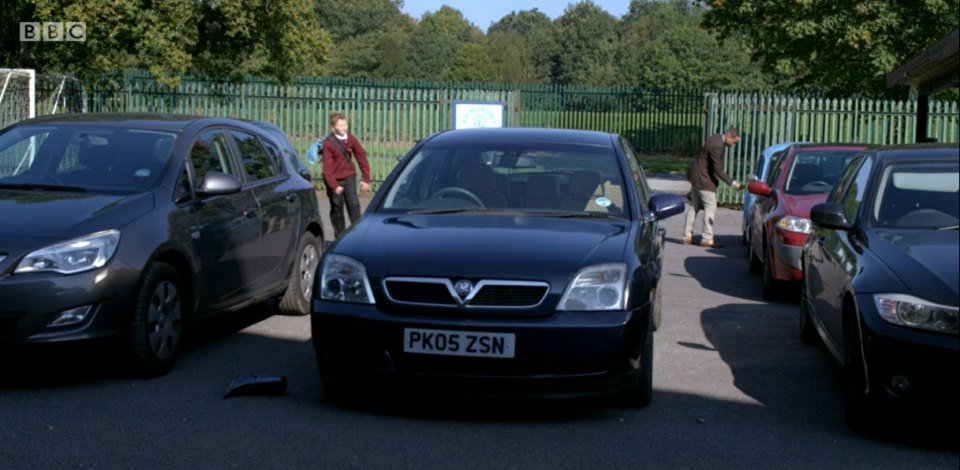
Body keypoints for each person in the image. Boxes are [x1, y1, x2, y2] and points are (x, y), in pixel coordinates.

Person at [682, 127, 742, 247]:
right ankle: (707, 238)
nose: (734, 146)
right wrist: (733, 183)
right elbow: (718, 170)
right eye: (734, 142)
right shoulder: (717, 146)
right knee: (711, 206)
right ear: (729, 137)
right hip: (703, 178)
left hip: (695, 175)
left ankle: (686, 236)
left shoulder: (715, 138)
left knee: (694, 205)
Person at [322, 112, 371, 237]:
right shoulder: (329, 143)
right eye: (340, 126)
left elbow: (361, 156)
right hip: (334, 180)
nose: (344, 128)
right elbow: (327, 169)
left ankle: (357, 235)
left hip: (349, 177)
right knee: (337, 209)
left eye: (345, 125)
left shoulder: (350, 138)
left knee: (354, 206)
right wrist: (334, 185)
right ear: (333, 127)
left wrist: (365, 178)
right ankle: (340, 237)